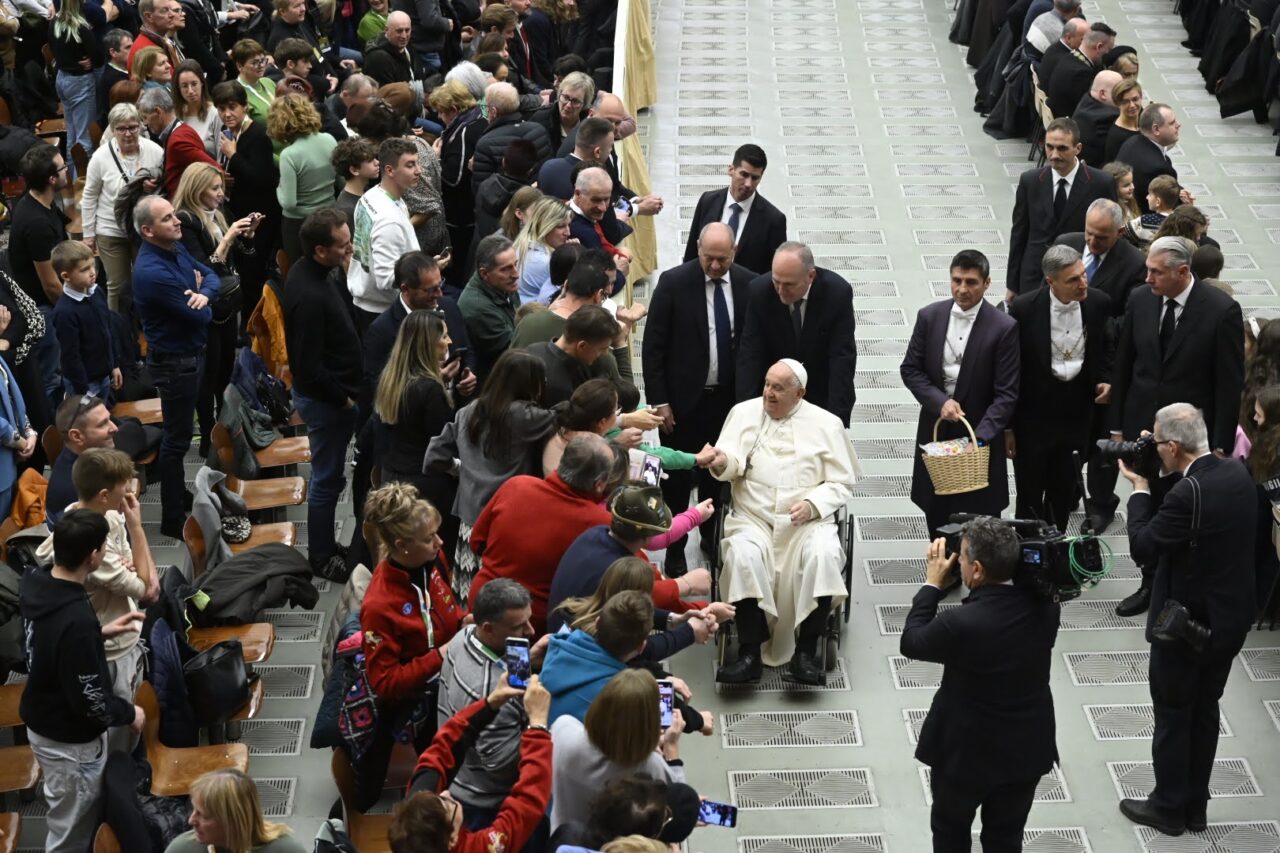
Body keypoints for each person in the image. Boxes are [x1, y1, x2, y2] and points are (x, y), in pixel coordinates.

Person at [1116, 404, 1257, 836]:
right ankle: (1196, 804)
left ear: (1173, 447)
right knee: (1204, 711)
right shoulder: (1235, 473)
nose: (1153, 450)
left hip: (1184, 627)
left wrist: (1140, 489)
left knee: (1174, 714)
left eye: (1157, 443)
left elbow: (1144, 545)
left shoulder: (1183, 495)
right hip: (1228, 623)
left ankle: (1169, 807)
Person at [901, 517, 1061, 852]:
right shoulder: (1047, 608)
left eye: (960, 557)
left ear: (976, 570)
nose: (955, 562)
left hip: (965, 755)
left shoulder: (959, 623)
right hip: (1025, 748)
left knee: (950, 832)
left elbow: (912, 641)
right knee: (1006, 837)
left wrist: (932, 584)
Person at [1108, 237, 1244, 616]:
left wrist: (1219, 445)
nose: (1147, 277)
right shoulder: (1139, 299)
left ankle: (1177, 587)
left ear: (1183, 272)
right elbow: (1125, 365)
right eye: (1147, 269)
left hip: (1188, 440)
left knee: (1183, 513)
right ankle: (1150, 582)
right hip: (1144, 430)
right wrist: (1117, 424)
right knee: (1147, 505)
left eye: (1156, 271)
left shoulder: (1220, 311)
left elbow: (1228, 383)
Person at [708, 359, 858, 685]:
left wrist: (813, 504)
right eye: (766, 384)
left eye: (778, 388)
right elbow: (730, 460)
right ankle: (749, 652)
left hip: (805, 525)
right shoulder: (743, 413)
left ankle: (805, 653)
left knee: (824, 555)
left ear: (799, 393)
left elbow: (842, 483)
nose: (768, 394)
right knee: (741, 554)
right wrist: (719, 462)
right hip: (753, 519)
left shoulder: (827, 424)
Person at [19, 510, 145, 853]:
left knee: (71, 819)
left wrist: (98, 634)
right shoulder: (74, 618)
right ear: (93, 556)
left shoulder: (40, 583)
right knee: (71, 833)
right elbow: (91, 702)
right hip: (68, 742)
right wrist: (130, 713)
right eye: (103, 546)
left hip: (45, 722)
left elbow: (48, 646)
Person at [641, 223, 752, 573]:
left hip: (728, 403)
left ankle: (710, 532)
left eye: (722, 259)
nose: (716, 266)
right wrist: (660, 400)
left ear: (734, 253)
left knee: (719, 472)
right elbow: (653, 348)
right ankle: (675, 544)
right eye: (709, 258)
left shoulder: (750, 284)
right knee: (676, 476)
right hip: (682, 404)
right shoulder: (674, 283)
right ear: (698, 250)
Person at [36, 449, 156, 757]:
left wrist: (131, 562)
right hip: (112, 657)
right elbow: (149, 590)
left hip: (118, 637)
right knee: (114, 745)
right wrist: (138, 528)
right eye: (123, 487)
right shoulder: (93, 544)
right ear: (104, 494)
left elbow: (134, 568)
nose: (129, 492)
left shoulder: (104, 517)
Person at [360, 482, 468, 808]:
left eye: (437, 532)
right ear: (402, 545)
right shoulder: (381, 604)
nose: (440, 541)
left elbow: (444, 611)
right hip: (408, 703)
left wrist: (464, 621)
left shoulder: (433, 562)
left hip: (443, 685)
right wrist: (439, 656)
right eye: (429, 538)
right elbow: (385, 683)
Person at [901, 249, 1020, 540]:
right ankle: (943, 570)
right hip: (936, 428)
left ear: (987, 283)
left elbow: (1006, 394)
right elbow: (911, 369)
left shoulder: (1004, 327)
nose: (962, 289)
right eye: (956, 280)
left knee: (980, 515)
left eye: (971, 282)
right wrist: (940, 402)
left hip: (980, 435)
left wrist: (979, 439)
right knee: (936, 507)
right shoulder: (929, 316)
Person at [424, 350, 560, 598]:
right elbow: (566, 417)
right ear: (531, 384)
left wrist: (461, 470)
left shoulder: (468, 411)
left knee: (470, 599)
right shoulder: (528, 417)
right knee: (506, 599)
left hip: (470, 521)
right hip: (511, 521)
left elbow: (434, 457)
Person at [1053, 199, 1148, 530]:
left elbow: (1129, 320)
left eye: (1102, 238)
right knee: (1065, 434)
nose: (1092, 243)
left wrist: (1090, 320)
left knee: (1101, 442)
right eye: (1089, 234)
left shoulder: (1135, 265)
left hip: (1105, 366)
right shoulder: (1065, 243)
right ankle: (1066, 491)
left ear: (1119, 233)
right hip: (1063, 361)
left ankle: (1102, 504)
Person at [132, 195, 220, 539]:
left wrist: (204, 292)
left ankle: (176, 495)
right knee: (176, 440)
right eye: (167, 218)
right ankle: (171, 516)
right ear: (147, 230)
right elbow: (202, 315)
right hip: (175, 365)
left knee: (179, 437)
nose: (177, 221)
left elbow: (209, 275)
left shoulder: (174, 248)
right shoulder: (152, 272)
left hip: (191, 355)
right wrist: (203, 299)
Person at [469, 433, 621, 630]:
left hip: (482, 604)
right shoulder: (601, 524)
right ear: (599, 484)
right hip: (531, 624)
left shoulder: (516, 485)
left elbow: (477, 542)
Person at [1007, 245, 1112, 529]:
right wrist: (1008, 428)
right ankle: (1028, 560)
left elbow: (1107, 348)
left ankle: (1055, 559)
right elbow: (1010, 371)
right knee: (1029, 497)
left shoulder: (1099, 303)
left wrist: (1105, 378)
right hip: (1033, 422)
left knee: (1064, 494)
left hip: (1077, 419)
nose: (1082, 284)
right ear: (1050, 281)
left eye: (1083, 275)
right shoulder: (1024, 309)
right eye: (1073, 280)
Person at [279, 208, 359, 578]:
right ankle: (321, 557)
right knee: (327, 480)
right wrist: (344, 400)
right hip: (327, 402)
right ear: (319, 251)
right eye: (342, 246)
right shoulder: (309, 295)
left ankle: (325, 545)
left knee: (329, 478)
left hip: (331, 396)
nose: (349, 250)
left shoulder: (310, 271)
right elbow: (309, 367)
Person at [401, 678, 553, 853]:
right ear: (452, 839)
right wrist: (538, 725)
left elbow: (444, 747)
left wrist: (490, 703)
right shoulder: (477, 849)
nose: (446, 792)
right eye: (448, 804)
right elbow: (527, 804)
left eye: (439, 797)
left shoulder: (414, 814)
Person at [435, 579, 539, 829]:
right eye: (519, 626)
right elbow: (502, 768)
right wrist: (539, 722)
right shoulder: (487, 692)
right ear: (489, 628)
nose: (531, 631)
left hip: (460, 771)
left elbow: (499, 665)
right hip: (485, 804)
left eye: (529, 620)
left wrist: (528, 661)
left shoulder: (466, 635)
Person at [171, 162, 259, 452]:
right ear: (197, 190)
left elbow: (238, 260)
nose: (221, 193)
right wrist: (228, 238)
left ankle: (228, 426)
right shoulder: (185, 222)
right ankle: (209, 434)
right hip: (206, 308)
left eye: (221, 187)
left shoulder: (218, 214)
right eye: (214, 188)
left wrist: (246, 238)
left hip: (227, 306)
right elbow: (205, 269)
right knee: (209, 374)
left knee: (225, 370)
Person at [549, 668, 687, 831]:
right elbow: (681, 807)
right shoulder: (651, 767)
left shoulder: (563, 730)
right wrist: (670, 746)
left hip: (562, 840)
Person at [735, 242, 857, 426]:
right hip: (774, 397)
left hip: (819, 395)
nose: (781, 291)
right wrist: (746, 412)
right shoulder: (759, 292)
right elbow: (751, 354)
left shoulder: (837, 293)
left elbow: (842, 357)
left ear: (811, 276)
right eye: (776, 282)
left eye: (789, 285)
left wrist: (836, 419)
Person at [1007, 118, 1116, 298]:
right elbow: (1019, 234)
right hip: (1033, 277)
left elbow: (1110, 237)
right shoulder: (1030, 181)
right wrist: (1012, 284)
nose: (1054, 154)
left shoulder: (1101, 183)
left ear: (1078, 148)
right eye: (1049, 147)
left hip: (1077, 278)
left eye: (1062, 148)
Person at [82, 103, 165, 316]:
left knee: (146, 281)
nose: (127, 133)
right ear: (112, 130)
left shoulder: (155, 151)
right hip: (110, 228)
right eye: (121, 128)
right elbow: (89, 196)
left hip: (145, 229)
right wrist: (88, 234)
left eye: (133, 127)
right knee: (117, 286)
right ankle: (118, 330)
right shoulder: (100, 157)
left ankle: (145, 327)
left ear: (141, 126)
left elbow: (166, 188)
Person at [9, 144, 71, 411]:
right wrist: (74, 308)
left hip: (43, 304)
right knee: (51, 379)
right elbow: (50, 284)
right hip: (41, 311)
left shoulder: (41, 203)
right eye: (63, 167)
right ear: (51, 179)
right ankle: (52, 438)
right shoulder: (36, 223)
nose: (67, 170)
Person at [213, 80, 280, 316]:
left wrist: (234, 155)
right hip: (240, 210)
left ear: (245, 107)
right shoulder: (229, 133)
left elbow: (263, 178)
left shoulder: (258, 134)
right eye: (221, 109)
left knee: (254, 271)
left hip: (260, 215)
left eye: (232, 107)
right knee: (244, 267)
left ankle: (254, 321)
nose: (227, 114)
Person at [350, 136, 422, 330]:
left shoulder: (369, 197)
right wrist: (425, 273)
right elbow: (386, 279)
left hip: (367, 302)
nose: (419, 171)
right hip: (383, 312)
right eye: (410, 165)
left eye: (417, 163)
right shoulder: (388, 220)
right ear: (389, 170)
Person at [682, 145, 788, 276]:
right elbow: (692, 252)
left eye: (755, 178)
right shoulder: (707, 201)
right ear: (731, 170)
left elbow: (774, 272)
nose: (748, 184)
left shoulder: (774, 220)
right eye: (744, 175)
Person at [430, 78, 488, 292]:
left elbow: (454, 178)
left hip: (460, 214)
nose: (438, 116)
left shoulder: (463, 132)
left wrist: (436, 160)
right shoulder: (478, 119)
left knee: (458, 262)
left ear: (454, 109)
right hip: (472, 209)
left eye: (441, 111)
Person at [164, 768, 306, 852]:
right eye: (194, 810)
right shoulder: (182, 849)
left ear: (232, 820)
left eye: (204, 816)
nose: (191, 820)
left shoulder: (286, 850)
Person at [49, 241, 119, 401]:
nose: (92, 272)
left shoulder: (97, 292)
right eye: (84, 270)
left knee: (105, 413)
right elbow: (70, 356)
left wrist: (115, 364)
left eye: (92, 266)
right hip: (85, 384)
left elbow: (108, 330)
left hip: (104, 375)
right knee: (88, 420)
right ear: (66, 276)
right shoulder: (65, 312)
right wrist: (83, 391)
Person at [270, 94, 337, 262]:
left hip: (299, 225)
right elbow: (340, 180)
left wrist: (279, 188)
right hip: (330, 216)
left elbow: (289, 203)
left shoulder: (289, 155)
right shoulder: (329, 139)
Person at [525, 306, 622, 407]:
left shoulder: (533, 348)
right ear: (582, 346)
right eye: (603, 348)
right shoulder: (560, 388)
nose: (605, 353)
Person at [49, 0, 103, 177]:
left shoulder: (54, 23)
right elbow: (99, 58)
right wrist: (90, 61)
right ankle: (82, 186)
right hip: (80, 82)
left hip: (62, 79)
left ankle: (72, 181)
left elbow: (53, 51)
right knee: (84, 139)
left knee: (72, 136)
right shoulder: (81, 27)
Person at [46, 395, 118, 525]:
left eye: (109, 419)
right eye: (103, 424)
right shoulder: (76, 493)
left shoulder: (88, 463)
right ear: (76, 436)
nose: (114, 428)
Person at [458, 233, 521, 383]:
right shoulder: (477, 308)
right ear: (484, 273)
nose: (516, 274)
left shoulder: (503, 285)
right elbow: (516, 349)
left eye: (516, 264)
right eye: (506, 269)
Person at [138, 87, 219, 198]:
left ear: (158, 112)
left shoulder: (178, 142)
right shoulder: (179, 131)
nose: (145, 124)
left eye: (145, 118)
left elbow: (214, 170)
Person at [470, 81, 552, 189]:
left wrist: (473, 169)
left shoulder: (485, 143)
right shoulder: (539, 130)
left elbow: (482, 191)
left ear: (493, 111)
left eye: (486, 107)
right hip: (538, 199)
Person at [1115, 103, 1183, 215]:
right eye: (1172, 123)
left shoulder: (1132, 141)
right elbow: (1169, 207)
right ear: (1156, 129)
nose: (1178, 125)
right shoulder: (1157, 168)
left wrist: (1182, 192)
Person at [535, 115, 613, 202]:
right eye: (610, 146)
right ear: (597, 152)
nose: (611, 150)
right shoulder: (594, 183)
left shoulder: (548, 166)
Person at [515, 196, 574, 303]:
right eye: (561, 226)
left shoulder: (523, 242)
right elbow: (572, 297)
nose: (568, 233)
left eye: (568, 225)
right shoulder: (544, 261)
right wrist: (576, 257)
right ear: (545, 226)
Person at [1046, 26, 1114, 118]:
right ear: (1099, 47)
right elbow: (1094, 110)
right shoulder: (1081, 74)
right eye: (1109, 49)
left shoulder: (1068, 58)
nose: (1109, 53)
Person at [531, 71, 595, 154]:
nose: (568, 105)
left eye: (575, 101)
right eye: (565, 97)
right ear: (559, 94)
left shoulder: (591, 126)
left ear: (585, 105)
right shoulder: (540, 119)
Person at [1071, 69, 1122, 167]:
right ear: (1103, 94)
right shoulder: (1108, 117)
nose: (1124, 96)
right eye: (1119, 92)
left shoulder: (1087, 100)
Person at [172, 59, 221, 157]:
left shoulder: (214, 114)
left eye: (194, 84)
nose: (190, 91)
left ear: (202, 83)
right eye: (184, 86)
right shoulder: (175, 116)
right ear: (179, 88)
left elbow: (221, 154)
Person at [331, 137, 379, 224]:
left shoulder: (366, 191)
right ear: (354, 170)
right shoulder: (347, 210)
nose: (377, 162)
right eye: (370, 160)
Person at [232, 39, 278, 124]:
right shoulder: (236, 93)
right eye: (255, 62)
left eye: (263, 60)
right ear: (239, 66)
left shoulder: (268, 82)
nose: (262, 65)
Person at [98, 30, 134, 129]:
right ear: (113, 52)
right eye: (128, 48)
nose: (134, 50)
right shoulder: (112, 79)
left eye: (133, 46)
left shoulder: (129, 70)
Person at [1104, 77, 1144, 164]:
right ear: (1117, 104)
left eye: (1135, 99)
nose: (1132, 105)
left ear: (1141, 97)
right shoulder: (1116, 136)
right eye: (1125, 102)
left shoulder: (1145, 120)